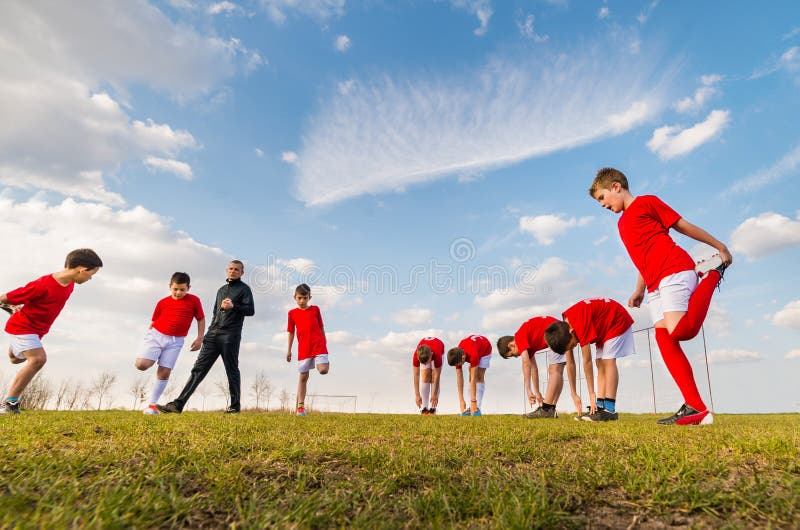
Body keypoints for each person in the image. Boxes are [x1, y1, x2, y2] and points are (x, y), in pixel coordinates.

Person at [590, 168, 731, 426]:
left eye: (602, 197)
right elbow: (642, 257)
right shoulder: (622, 224)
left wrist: (719, 247)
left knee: (681, 331)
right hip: (654, 284)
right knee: (664, 340)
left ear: (616, 187)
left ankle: (711, 276)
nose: (603, 204)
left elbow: (683, 227)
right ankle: (695, 408)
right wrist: (639, 289)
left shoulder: (647, 202)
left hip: (675, 269)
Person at [0, 249, 103, 414]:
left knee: (15, 359)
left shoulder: (69, 285)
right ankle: (9, 403)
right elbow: (4, 298)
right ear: (82, 269)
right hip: (22, 327)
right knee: (38, 360)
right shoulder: (43, 284)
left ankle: (15, 349)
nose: (90, 278)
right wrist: (8, 306)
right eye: (91, 274)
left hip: (37, 330)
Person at [157, 260, 254, 414]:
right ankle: (178, 405)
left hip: (230, 336)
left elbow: (250, 310)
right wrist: (209, 331)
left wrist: (234, 306)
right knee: (198, 370)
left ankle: (235, 406)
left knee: (231, 370)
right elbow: (216, 312)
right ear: (226, 270)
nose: (233, 271)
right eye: (230, 268)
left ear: (242, 273)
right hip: (213, 334)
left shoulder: (244, 289)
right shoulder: (221, 290)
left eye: (237, 269)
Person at [545, 297, 635, 422]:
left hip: (616, 319)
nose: (574, 346)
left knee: (608, 361)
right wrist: (573, 393)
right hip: (604, 325)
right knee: (600, 363)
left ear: (572, 332)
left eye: (572, 345)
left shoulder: (578, 324)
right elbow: (570, 363)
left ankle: (609, 409)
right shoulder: (564, 329)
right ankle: (599, 407)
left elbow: (587, 361)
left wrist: (592, 393)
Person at [134, 272, 205, 415]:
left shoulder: (194, 301)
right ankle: (153, 355)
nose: (178, 292)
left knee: (164, 372)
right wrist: (149, 338)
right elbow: (154, 321)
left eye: (182, 290)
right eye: (175, 289)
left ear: (188, 288)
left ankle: (152, 406)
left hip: (175, 341)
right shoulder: (162, 302)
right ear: (170, 287)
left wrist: (199, 338)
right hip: (156, 336)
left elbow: (200, 319)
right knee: (141, 365)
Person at [497, 316, 582, 419]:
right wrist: (537, 392)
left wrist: (528, 390)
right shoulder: (527, 344)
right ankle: (551, 408)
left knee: (554, 369)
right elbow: (533, 368)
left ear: (511, 345)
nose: (516, 356)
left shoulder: (519, 337)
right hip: (560, 332)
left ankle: (546, 409)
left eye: (512, 355)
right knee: (557, 370)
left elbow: (526, 363)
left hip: (558, 333)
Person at [286, 284, 329, 417]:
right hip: (304, 348)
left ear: (309, 297)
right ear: (295, 297)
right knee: (303, 377)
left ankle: (323, 361)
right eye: (299, 298)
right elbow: (291, 332)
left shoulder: (315, 310)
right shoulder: (292, 313)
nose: (302, 301)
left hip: (318, 345)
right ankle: (300, 407)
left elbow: (321, 326)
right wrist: (289, 350)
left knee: (323, 370)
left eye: (305, 298)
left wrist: (324, 341)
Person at [446, 334, 492, 416]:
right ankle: (469, 408)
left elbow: (474, 378)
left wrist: (473, 401)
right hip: (475, 348)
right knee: (470, 374)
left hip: (485, 349)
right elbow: (459, 378)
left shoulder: (473, 355)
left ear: (463, 358)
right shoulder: (457, 355)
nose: (458, 366)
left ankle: (476, 408)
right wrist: (461, 400)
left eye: (459, 364)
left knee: (478, 376)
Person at [412, 337, 444, 415]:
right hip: (426, 353)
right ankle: (424, 408)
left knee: (433, 377)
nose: (426, 364)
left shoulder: (437, 355)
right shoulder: (416, 356)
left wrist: (434, 395)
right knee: (425, 376)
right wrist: (417, 395)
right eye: (423, 363)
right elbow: (416, 375)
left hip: (439, 348)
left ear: (431, 355)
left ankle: (433, 409)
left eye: (427, 362)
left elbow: (437, 377)